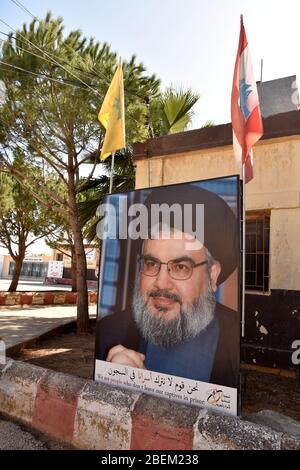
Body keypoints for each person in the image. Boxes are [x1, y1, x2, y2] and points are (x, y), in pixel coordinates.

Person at [95, 183, 240, 389]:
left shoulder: (237, 341)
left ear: (212, 275)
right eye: (152, 264)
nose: (161, 283)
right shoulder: (109, 333)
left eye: (180, 267)